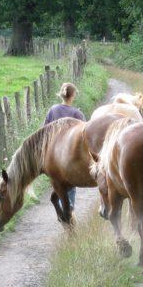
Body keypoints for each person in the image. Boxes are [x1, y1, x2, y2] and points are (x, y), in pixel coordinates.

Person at [43, 82, 85, 210]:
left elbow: (44, 131)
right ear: (73, 95)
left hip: (53, 155)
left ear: (61, 94)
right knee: (70, 182)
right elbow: (85, 134)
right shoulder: (77, 113)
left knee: (58, 181)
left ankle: (63, 205)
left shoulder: (53, 110)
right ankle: (68, 206)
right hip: (70, 154)